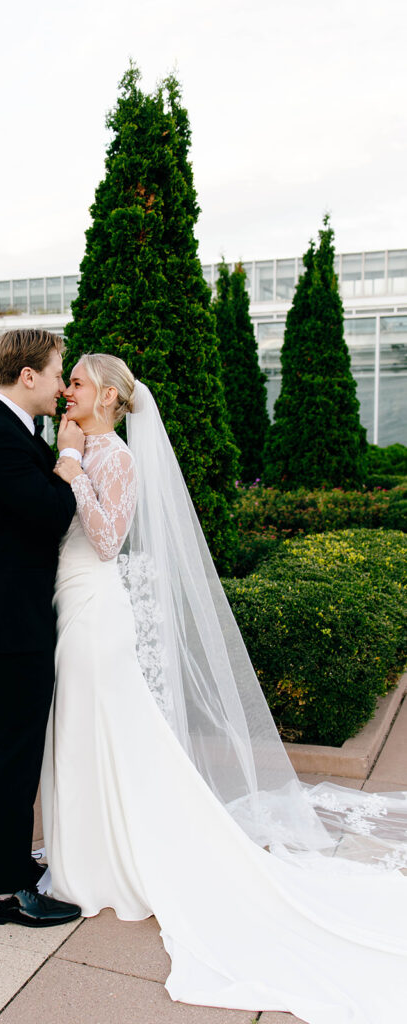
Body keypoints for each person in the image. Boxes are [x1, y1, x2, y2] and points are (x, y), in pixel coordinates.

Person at [41, 352, 407, 1023]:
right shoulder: (77, 443)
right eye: (69, 382)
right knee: (87, 734)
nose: (67, 390)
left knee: (104, 732)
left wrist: (68, 467)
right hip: (71, 605)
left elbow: (105, 540)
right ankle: (88, 851)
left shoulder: (112, 456)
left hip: (96, 612)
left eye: (78, 383)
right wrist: (63, 457)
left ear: (110, 398)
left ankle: (110, 861)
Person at [0, 327, 84, 928]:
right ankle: (2, 894)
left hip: (14, 619)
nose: (62, 385)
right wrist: (72, 455)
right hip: (7, 625)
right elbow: (54, 512)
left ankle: (9, 869)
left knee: (12, 756)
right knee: (10, 758)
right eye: (58, 372)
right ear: (26, 375)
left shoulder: (12, 431)